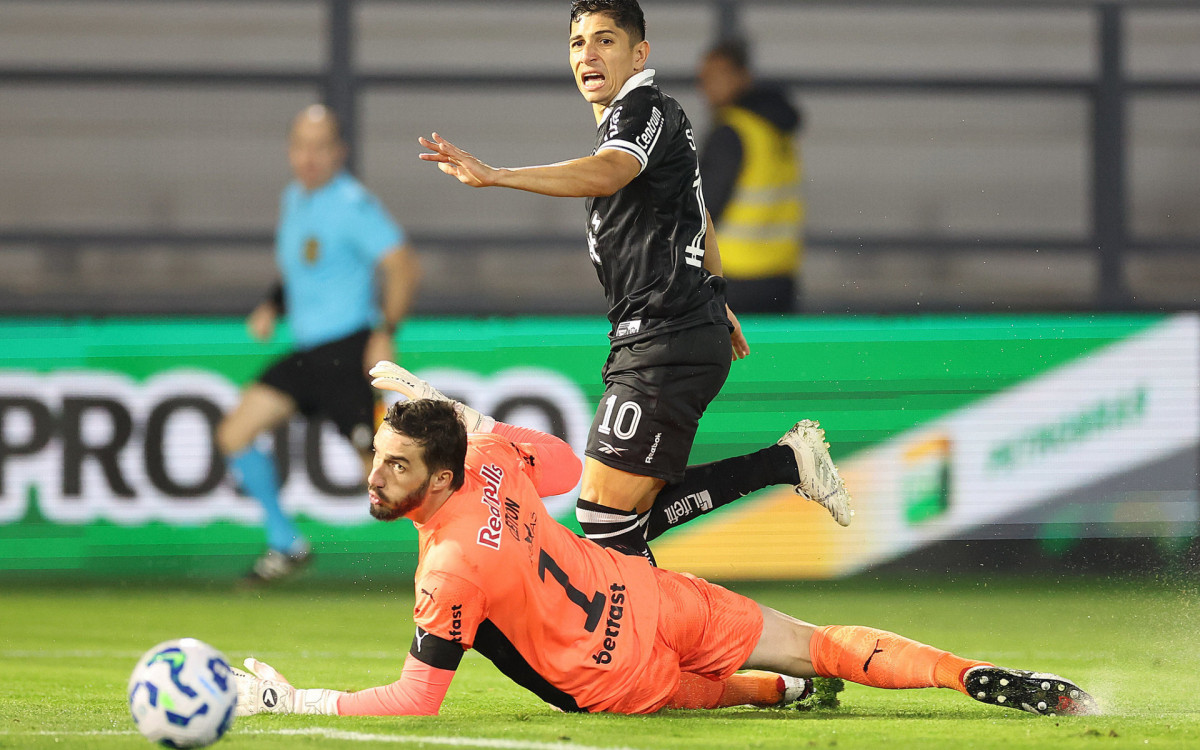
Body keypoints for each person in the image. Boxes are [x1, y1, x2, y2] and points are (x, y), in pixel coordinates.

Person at [231, 384, 1098, 718]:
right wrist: (470, 417)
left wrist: (293, 700)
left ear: (442, 477)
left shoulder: (446, 569)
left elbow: (418, 700)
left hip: (617, 679)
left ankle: (781, 691)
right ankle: (963, 674)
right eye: (379, 459)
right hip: (650, 597)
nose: (376, 476)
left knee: (712, 694)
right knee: (818, 640)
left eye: (397, 465)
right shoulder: (488, 459)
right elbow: (564, 468)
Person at [417, 0, 849, 564]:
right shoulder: (647, 121)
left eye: (605, 40)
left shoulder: (641, 109)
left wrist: (497, 175)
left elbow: (610, 172)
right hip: (665, 332)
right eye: (577, 43)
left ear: (639, 53)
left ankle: (780, 472)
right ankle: (785, 464)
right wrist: (715, 296)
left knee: (604, 518)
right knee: (617, 524)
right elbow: (699, 214)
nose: (588, 55)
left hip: (666, 336)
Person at [217, 104, 422, 584]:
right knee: (233, 433)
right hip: (308, 355)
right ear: (291, 151)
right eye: (301, 147)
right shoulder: (294, 199)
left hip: (346, 354)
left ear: (339, 152)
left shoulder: (352, 204)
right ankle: (285, 542)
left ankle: (464, 559)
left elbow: (403, 266)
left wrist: (385, 331)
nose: (309, 157)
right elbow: (304, 269)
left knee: (384, 475)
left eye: (320, 147)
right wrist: (273, 305)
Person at [697, 38, 805, 313]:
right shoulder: (774, 129)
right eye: (705, 77)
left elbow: (704, 207)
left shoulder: (731, 132)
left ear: (742, 77)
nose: (708, 86)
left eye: (719, 75)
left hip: (734, 275)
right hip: (780, 274)